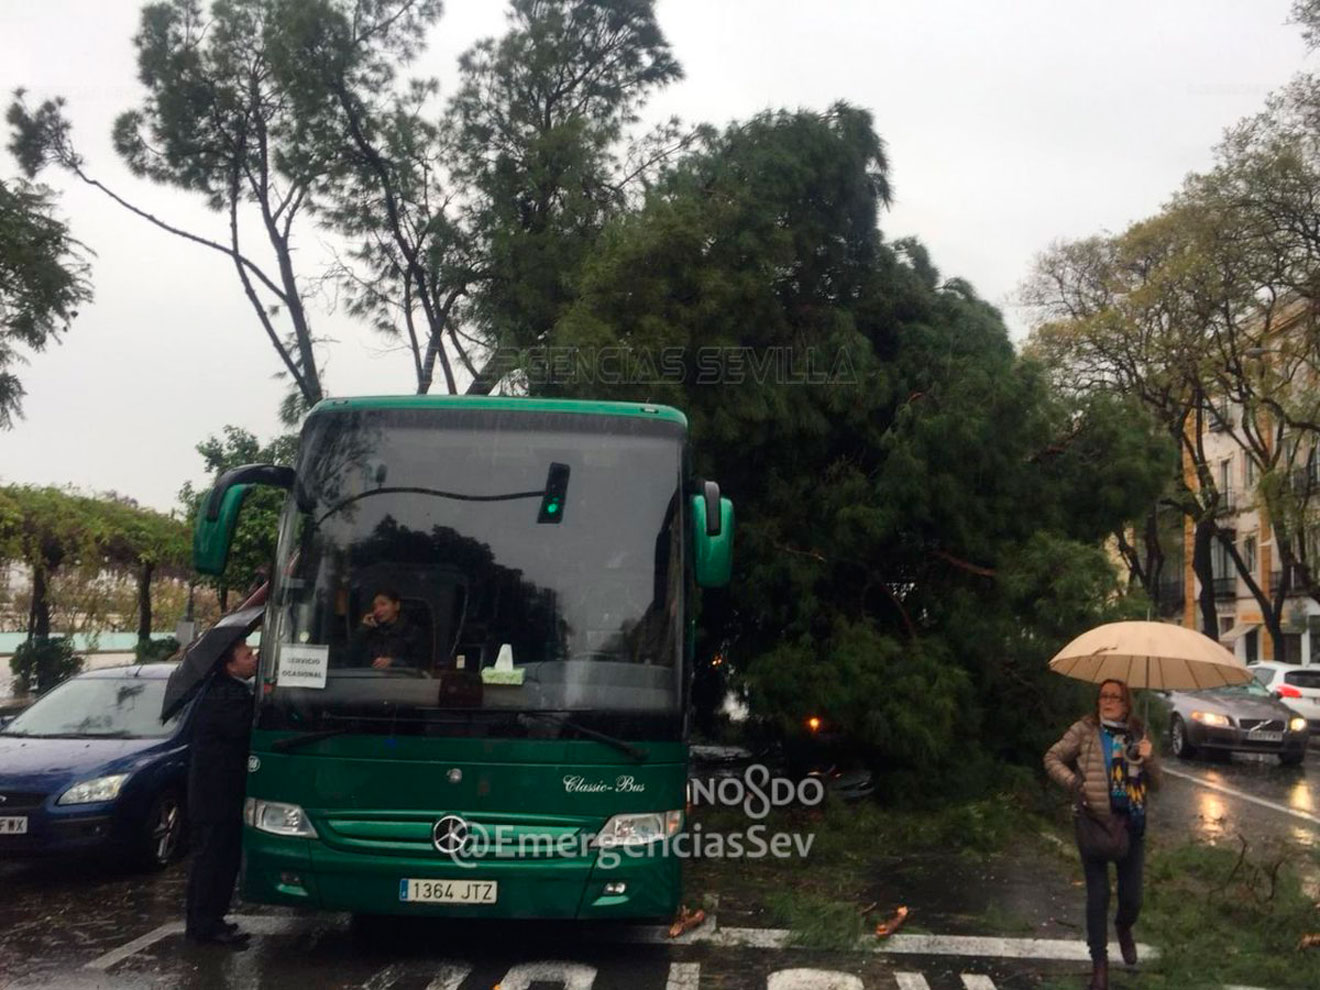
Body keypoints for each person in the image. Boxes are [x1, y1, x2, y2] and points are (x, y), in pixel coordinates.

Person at [1045, 679, 1160, 990]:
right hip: (1093, 822)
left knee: (1132, 898)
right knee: (1098, 897)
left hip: (1131, 824)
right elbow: (1052, 758)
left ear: (1126, 704)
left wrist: (1148, 759)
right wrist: (1074, 784)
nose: (1107, 701)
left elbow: (1157, 783)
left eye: (1115, 697)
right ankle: (1100, 965)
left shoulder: (1137, 733)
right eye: (1103, 696)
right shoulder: (1084, 730)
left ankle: (1124, 926)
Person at [185, 639, 257, 947]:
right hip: (216, 795)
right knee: (213, 860)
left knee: (222, 859)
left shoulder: (227, 691)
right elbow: (243, 730)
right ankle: (204, 924)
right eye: (247, 655)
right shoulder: (226, 696)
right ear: (230, 666)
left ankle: (213, 918)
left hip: (219, 793)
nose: (253, 658)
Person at [350, 589, 426, 670]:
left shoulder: (412, 632)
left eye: (383, 604)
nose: (378, 610)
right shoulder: (371, 631)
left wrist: (393, 662)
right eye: (375, 607)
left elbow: (420, 664)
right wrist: (363, 630)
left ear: (397, 606)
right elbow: (351, 661)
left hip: (401, 680)